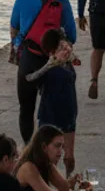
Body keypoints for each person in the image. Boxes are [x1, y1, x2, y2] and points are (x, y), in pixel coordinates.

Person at [10, 0, 78, 143]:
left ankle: (27, 147)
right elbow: (72, 35)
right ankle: (49, 148)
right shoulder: (61, 0)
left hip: (29, 58)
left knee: (26, 108)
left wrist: (17, 50)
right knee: (52, 110)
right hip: (53, 61)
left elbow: (14, 28)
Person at [27, 28, 79, 175]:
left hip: (69, 114)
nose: (67, 49)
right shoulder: (49, 67)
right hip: (50, 116)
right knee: (50, 158)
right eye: (61, 48)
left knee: (69, 157)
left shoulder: (67, 64)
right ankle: (49, 187)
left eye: (66, 46)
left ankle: (68, 180)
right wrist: (49, 65)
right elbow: (30, 78)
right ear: (51, 52)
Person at [14, 125, 87, 191]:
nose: (61, 151)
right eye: (57, 146)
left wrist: (72, 182)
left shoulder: (46, 163)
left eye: (62, 146)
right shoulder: (28, 167)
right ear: (44, 147)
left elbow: (64, 187)